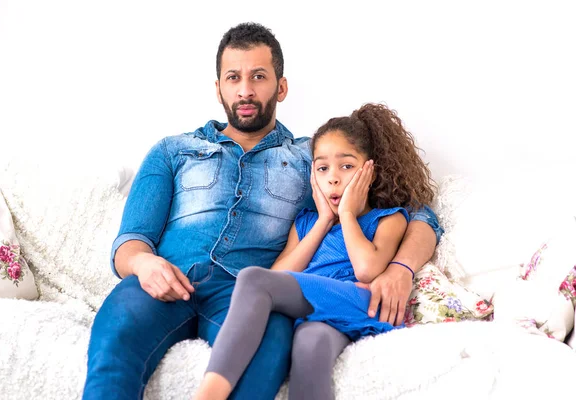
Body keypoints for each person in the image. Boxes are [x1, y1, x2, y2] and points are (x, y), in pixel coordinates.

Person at [82, 22, 442, 400]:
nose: (245, 90)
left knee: (266, 356)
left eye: (258, 76)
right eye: (233, 77)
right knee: (115, 343)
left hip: (249, 294)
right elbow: (130, 241)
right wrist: (144, 265)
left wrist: (401, 268)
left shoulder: (312, 158)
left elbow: (419, 211)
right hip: (163, 282)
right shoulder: (172, 151)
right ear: (218, 87)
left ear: (281, 87)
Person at [194, 103, 436, 400]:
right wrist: (323, 221)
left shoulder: (387, 218)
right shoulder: (306, 223)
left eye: (346, 166)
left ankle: (209, 395)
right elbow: (279, 276)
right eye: (323, 168)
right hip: (316, 314)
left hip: (358, 300)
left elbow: (366, 270)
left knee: (252, 278)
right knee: (310, 344)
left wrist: (347, 214)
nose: (333, 177)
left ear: (369, 172)